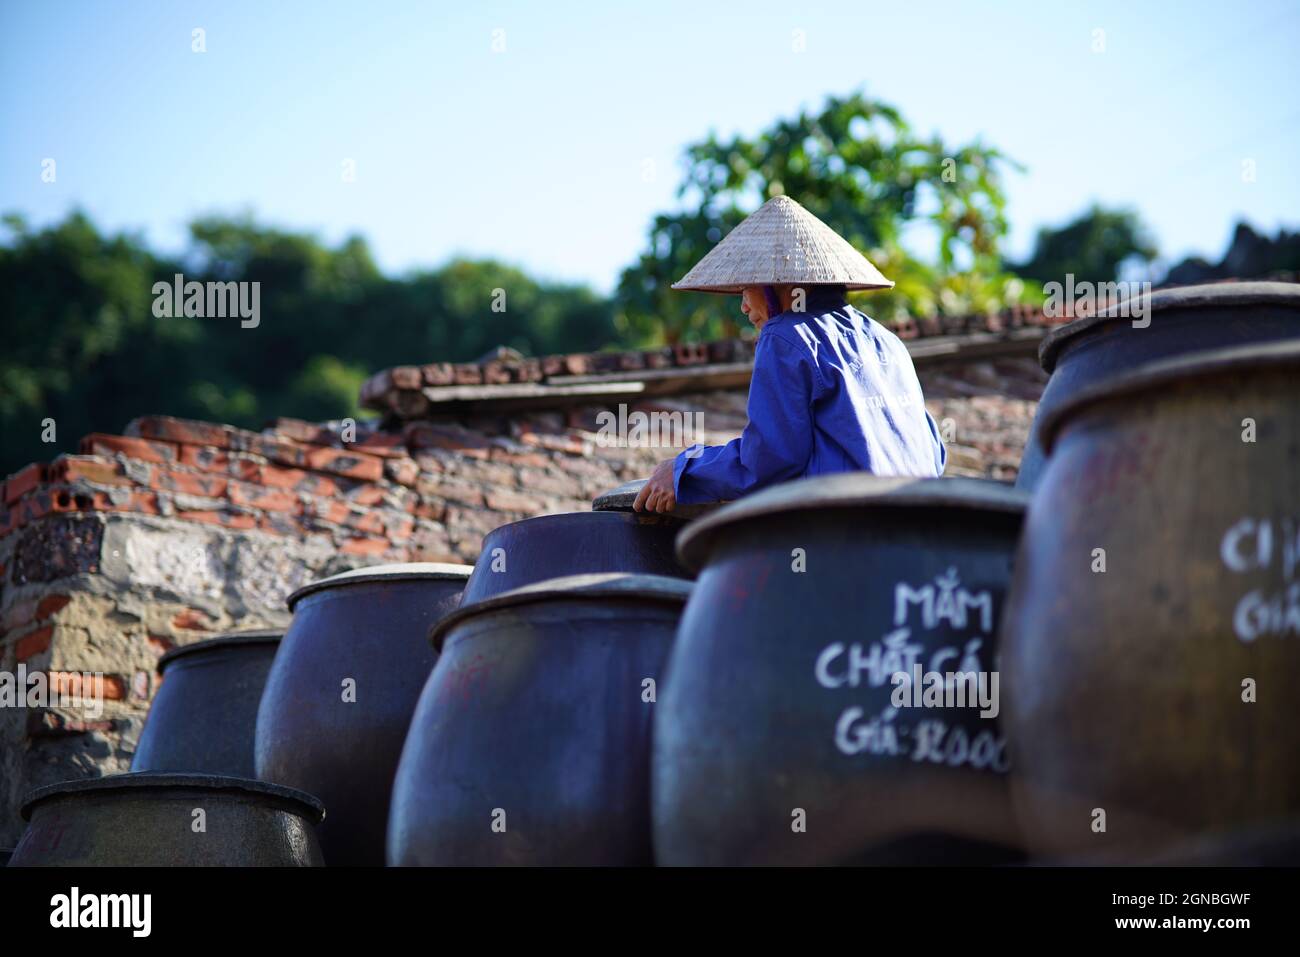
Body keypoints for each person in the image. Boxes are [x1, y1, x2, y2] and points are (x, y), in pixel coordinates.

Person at [634, 195, 946, 514]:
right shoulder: (888, 341)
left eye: (744, 289)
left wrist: (681, 470)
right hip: (924, 530)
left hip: (849, 537)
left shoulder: (786, 335)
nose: (743, 306)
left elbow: (767, 463)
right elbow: (935, 451)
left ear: (777, 284)